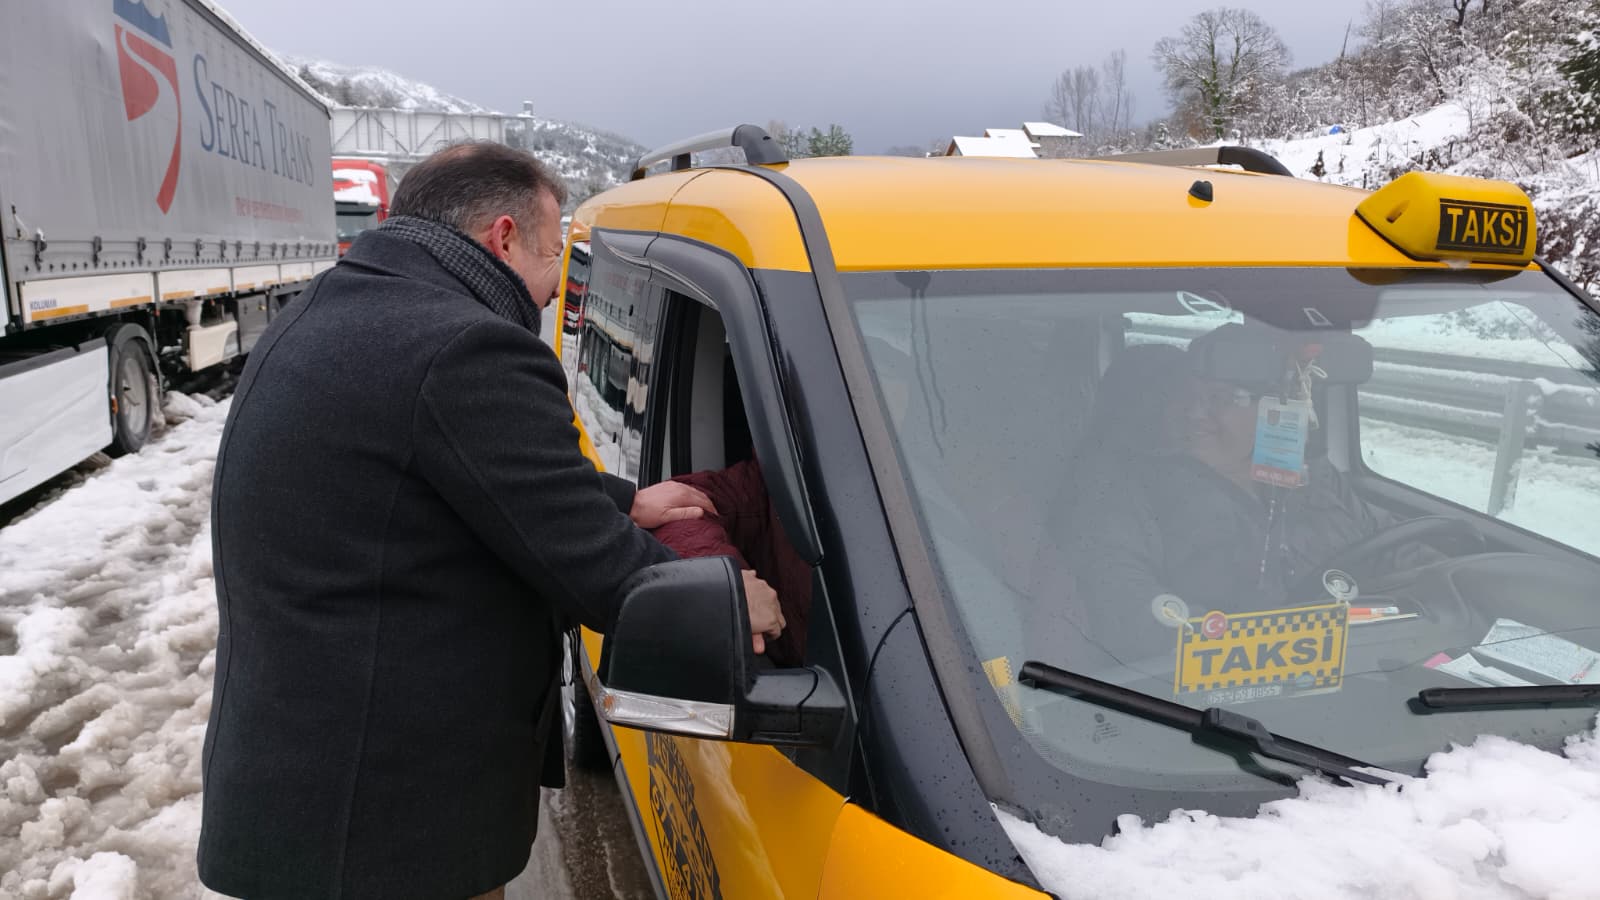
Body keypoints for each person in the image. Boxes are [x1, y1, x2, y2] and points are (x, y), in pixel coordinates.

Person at [199, 142, 781, 900]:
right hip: (385, 825)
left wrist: (626, 501)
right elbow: (596, 570)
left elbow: (459, 466)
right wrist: (731, 603)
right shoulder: (465, 344)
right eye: (553, 254)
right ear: (503, 237)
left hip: (308, 768)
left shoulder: (343, 304)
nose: (554, 287)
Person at [1041, 324, 1433, 662]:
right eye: (1185, 396)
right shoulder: (1122, 495)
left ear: (1272, 408)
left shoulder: (1313, 478)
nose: (1195, 413)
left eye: (1221, 399)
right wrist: (1293, 646)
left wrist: (1445, 581)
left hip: (1359, 675)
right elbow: (1133, 619)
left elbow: (1390, 546)